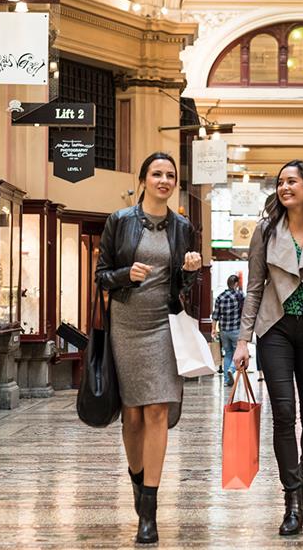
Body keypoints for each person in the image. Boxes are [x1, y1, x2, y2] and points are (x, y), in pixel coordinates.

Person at [234, 160, 303, 536]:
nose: (284, 187)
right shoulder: (266, 232)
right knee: (284, 412)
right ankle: (292, 499)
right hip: (274, 329)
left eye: (292, 181)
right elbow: (253, 288)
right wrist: (242, 341)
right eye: (280, 182)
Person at [95, 152, 202, 544]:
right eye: (157, 174)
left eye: (170, 175)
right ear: (143, 179)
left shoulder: (182, 227)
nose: (164, 180)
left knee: (157, 409)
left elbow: (182, 286)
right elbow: (102, 276)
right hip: (126, 324)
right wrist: (127, 274)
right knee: (133, 417)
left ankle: (150, 511)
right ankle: (138, 485)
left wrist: (189, 273)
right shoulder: (119, 222)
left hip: (164, 325)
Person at [212, 275, 244, 386]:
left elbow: (215, 315)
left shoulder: (220, 297)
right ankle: (231, 369)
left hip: (224, 331)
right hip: (236, 330)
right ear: (235, 284)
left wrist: (213, 329)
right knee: (238, 353)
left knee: (228, 354)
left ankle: (227, 380)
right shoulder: (239, 296)